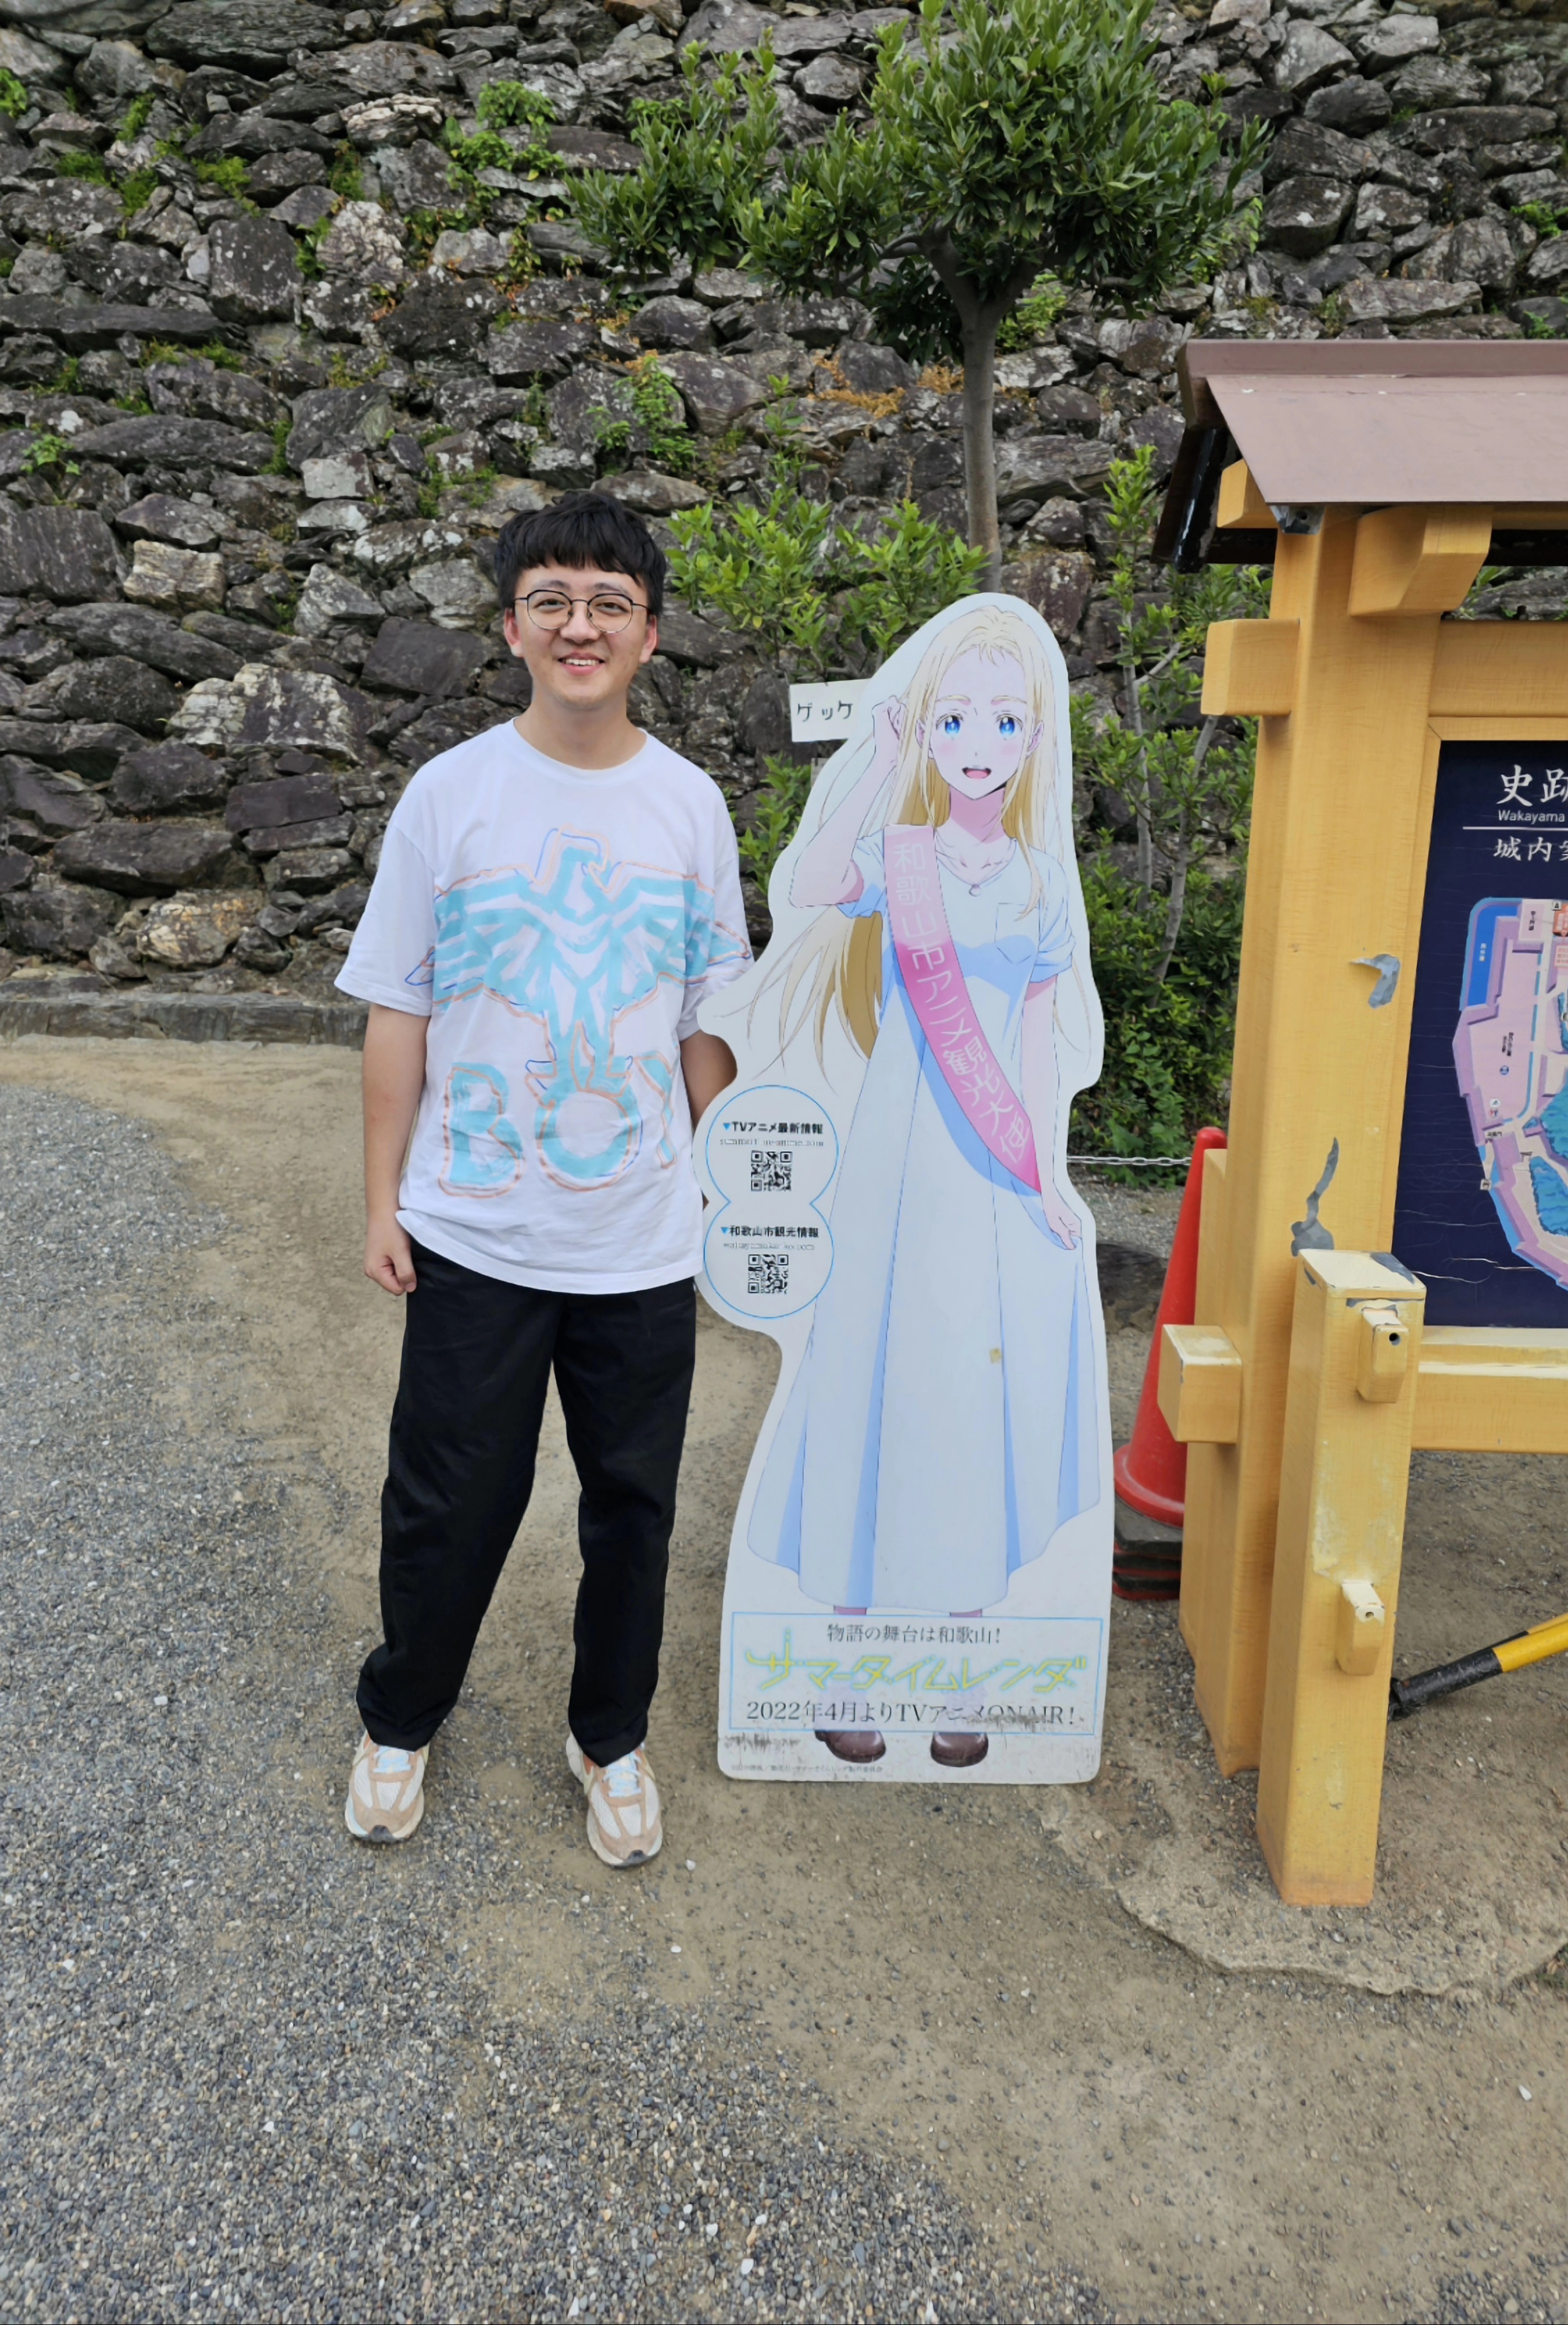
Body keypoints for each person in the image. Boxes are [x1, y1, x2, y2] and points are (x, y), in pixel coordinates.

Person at [333, 492, 748, 1863]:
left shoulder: (689, 807)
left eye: (609, 602)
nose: (581, 624)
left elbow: (708, 1017)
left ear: (649, 635)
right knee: (448, 1497)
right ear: (510, 627)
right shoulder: (449, 796)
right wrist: (384, 1199)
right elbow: (398, 1006)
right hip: (477, 1227)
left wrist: (729, 1189)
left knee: (632, 1509)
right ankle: (401, 1716)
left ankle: (609, 1734)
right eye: (553, 599)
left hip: (641, 1233)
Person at [744, 603, 1100, 1768]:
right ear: (929, 734)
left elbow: (1037, 1046)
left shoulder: (1041, 883)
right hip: (893, 1160)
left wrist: (1045, 1175)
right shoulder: (901, 861)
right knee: (873, 1376)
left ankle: (960, 1683)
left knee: (965, 1389)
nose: (977, 742)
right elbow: (808, 882)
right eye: (952, 720)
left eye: (1002, 719)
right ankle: (850, 1674)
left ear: (1034, 734)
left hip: (987, 1169)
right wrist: (877, 765)